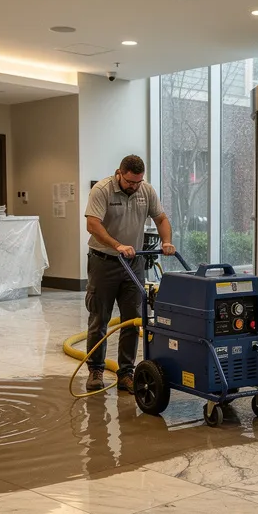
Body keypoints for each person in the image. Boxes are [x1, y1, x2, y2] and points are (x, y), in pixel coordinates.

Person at [83, 154, 174, 393]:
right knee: (99, 318)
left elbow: (161, 218)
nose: (134, 186)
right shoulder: (102, 190)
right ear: (119, 173)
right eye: (130, 182)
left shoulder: (146, 191)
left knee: (132, 319)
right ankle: (95, 370)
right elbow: (92, 224)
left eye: (138, 182)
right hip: (104, 261)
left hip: (133, 263)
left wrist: (166, 241)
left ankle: (126, 373)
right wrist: (117, 245)